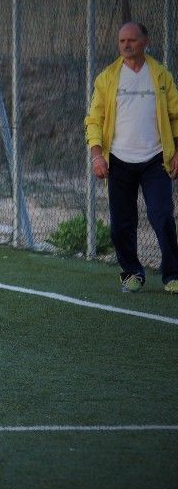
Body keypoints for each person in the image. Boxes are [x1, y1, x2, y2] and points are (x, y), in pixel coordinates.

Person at [85, 21, 178, 295]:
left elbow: (175, 117)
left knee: (162, 215)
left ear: (145, 42)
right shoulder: (107, 78)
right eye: (122, 41)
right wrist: (97, 155)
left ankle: (172, 275)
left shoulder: (161, 75)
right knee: (121, 224)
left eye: (132, 40)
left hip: (155, 160)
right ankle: (132, 273)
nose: (126, 45)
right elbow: (94, 120)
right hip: (118, 161)